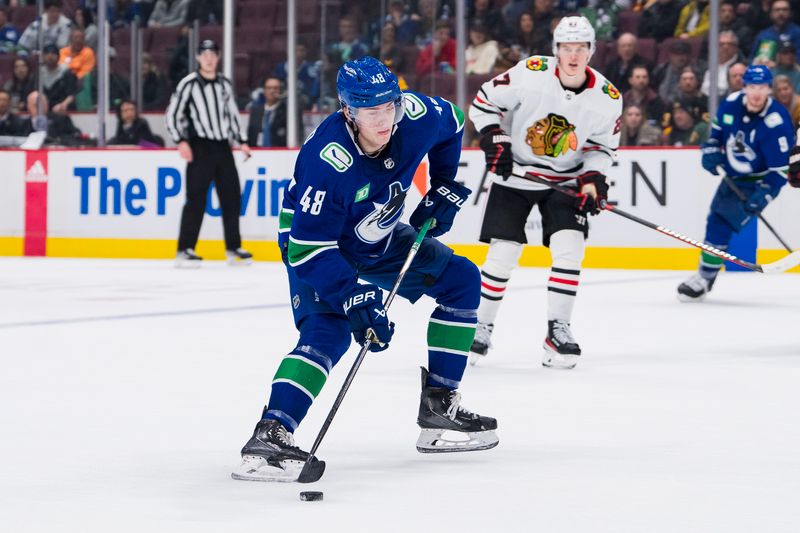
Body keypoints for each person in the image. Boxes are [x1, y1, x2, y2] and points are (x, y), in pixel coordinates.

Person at [231, 56, 498, 482]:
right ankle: (271, 433)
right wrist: (350, 293)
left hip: (380, 235)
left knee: (461, 280)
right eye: (371, 111)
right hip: (320, 246)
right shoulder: (326, 161)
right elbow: (306, 249)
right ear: (347, 111)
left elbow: (454, 121)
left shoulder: (411, 114)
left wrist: (442, 183)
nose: (385, 119)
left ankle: (438, 407)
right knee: (329, 332)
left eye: (389, 105)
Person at [468, 16, 622, 369]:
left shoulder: (607, 97)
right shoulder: (531, 72)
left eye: (580, 48)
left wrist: (592, 178)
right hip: (517, 172)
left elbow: (601, 147)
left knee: (570, 249)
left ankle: (558, 330)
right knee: (502, 254)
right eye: (566, 48)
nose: (573, 55)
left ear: (591, 51)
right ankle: (480, 326)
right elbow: (485, 101)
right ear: (555, 50)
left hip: (564, 181)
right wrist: (494, 136)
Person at [678, 65, 796, 301]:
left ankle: (704, 278)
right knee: (715, 221)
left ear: (769, 90)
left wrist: (765, 193)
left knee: (720, 223)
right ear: (744, 87)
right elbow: (716, 136)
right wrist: (711, 151)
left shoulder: (777, 122)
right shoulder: (731, 103)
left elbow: (780, 170)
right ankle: (705, 276)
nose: (756, 93)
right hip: (732, 177)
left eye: (762, 88)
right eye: (752, 87)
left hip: (759, 181)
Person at [165, 39, 253, 267]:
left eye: (213, 53)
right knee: (196, 199)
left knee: (232, 197)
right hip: (200, 146)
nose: (209, 58)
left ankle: (233, 248)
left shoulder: (224, 83)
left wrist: (242, 141)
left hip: (223, 146)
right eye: (204, 54)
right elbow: (172, 114)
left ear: (218, 56)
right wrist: (181, 141)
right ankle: (185, 249)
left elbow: (232, 114)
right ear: (197, 58)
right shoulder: (189, 83)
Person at [246, 77, 297, 148]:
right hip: (257, 154)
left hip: (281, 154)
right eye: (269, 88)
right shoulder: (256, 111)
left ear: (281, 90)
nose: (272, 91)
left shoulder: (288, 112)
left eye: (276, 88)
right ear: (264, 90)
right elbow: (251, 134)